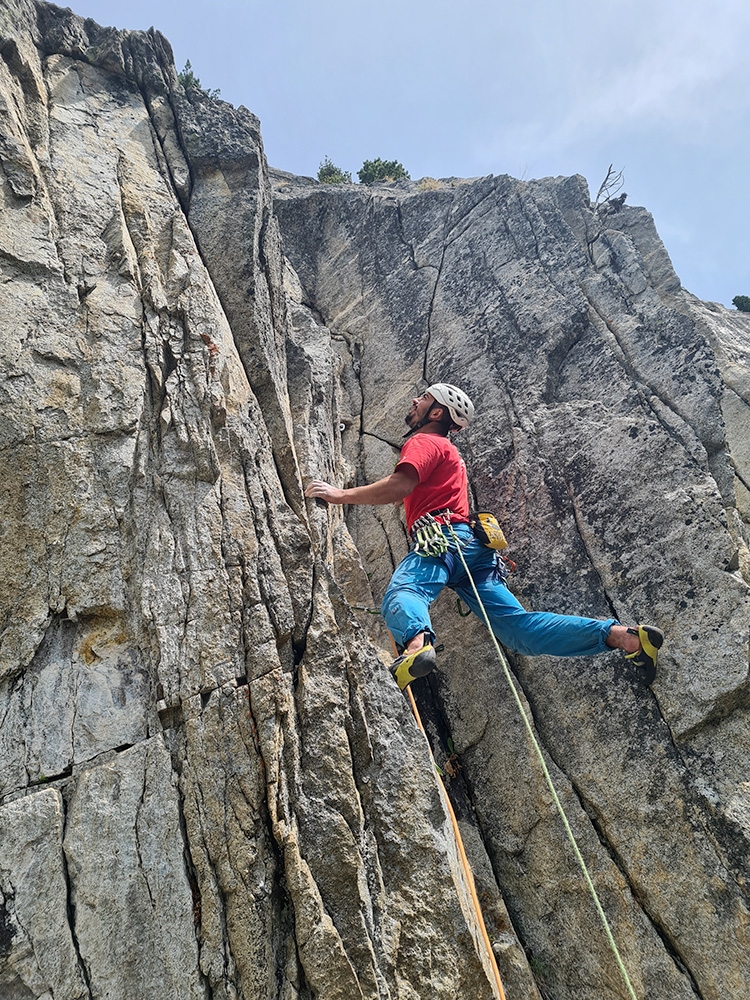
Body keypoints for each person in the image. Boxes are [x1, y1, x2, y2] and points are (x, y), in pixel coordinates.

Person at [304, 383, 663, 690]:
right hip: (475, 551)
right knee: (519, 632)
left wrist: (340, 495)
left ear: (436, 414)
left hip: (444, 539)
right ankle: (625, 637)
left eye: (423, 397)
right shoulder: (451, 453)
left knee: (405, 591)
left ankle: (416, 646)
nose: (414, 401)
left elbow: (402, 485)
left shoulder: (425, 442)